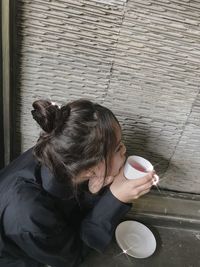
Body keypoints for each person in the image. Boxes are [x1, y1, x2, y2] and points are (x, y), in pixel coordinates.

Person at [0, 99, 155, 267]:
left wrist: (95, 189)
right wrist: (115, 199)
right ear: (89, 169)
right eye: (117, 148)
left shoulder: (57, 150)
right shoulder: (30, 214)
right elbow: (71, 257)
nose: (125, 149)